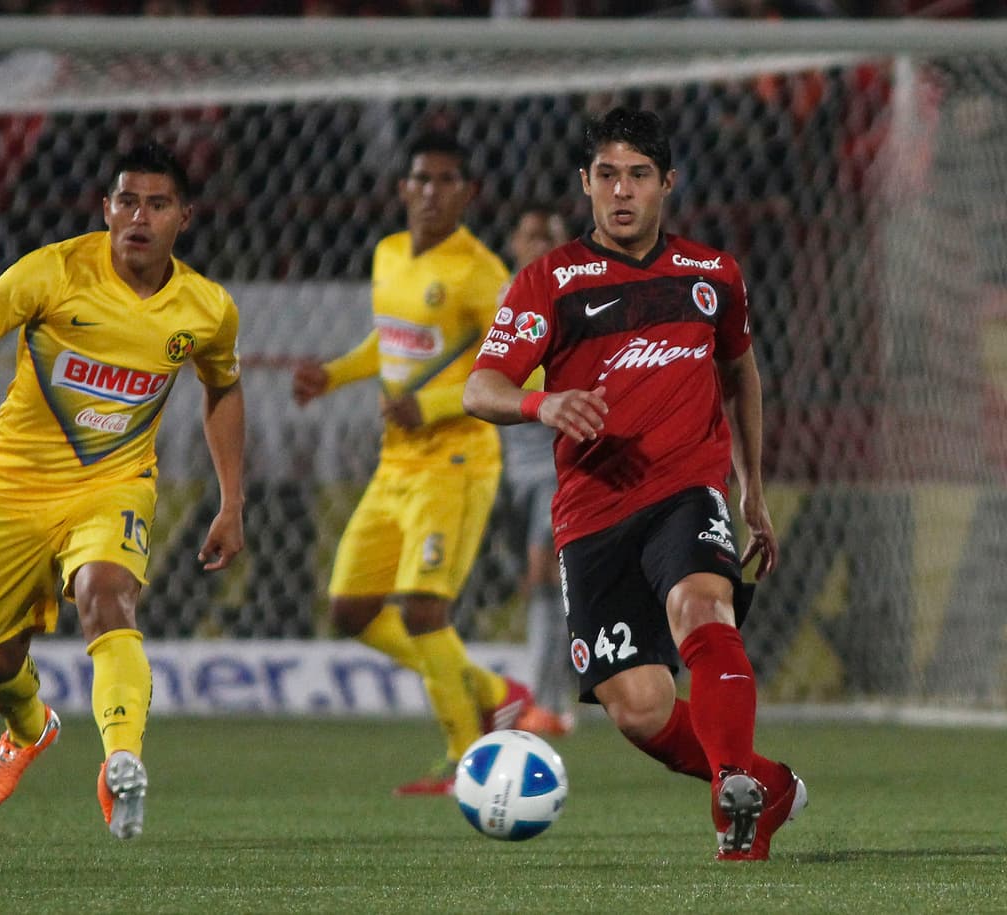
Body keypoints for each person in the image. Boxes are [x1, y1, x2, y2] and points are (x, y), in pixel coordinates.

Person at [0, 142, 246, 840]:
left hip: (114, 485)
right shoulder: (53, 271)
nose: (140, 216)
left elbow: (223, 389)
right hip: (13, 485)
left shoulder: (207, 309)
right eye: (127, 201)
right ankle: (28, 727)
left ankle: (123, 760)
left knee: (108, 597)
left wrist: (232, 501)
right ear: (106, 209)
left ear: (184, 217)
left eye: (158, 204)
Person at [463, 106, 806, 861]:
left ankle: (734, 806)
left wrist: (751, 489)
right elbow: (479, 388)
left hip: (686, 489)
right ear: (586, 183)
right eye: (608, 175)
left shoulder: (713, 275)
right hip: (592, 513)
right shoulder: (549, 281)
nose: (622, 191)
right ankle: (766, 784)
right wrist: (543, 402)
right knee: (639, 707)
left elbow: (739, 372)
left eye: (639, 175)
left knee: (702, 604)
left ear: (667, 183)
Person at [291, 131, 558, 797]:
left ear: (468, 193)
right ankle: (494, 692)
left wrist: (434, 405)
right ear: (403, 187)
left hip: (458, 462)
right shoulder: (387, 254)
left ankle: (469, 759)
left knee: (422, 610)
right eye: (421, 179)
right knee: (350, 609)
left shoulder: (483, 274)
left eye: (446, 180)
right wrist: (335, 375)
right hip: (396, 466)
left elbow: (531, 366)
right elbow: (390, 340)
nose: (431, 191)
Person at [497, 206, 575, 735]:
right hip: (509, 460)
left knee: (545, 569)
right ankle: (547, 694)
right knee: (535, 578)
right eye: (532, 235)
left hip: (557, 453)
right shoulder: (501, 298)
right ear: (514, 243)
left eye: (551, 236)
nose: (541, 244)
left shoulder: (576, 297)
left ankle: (550, 703)